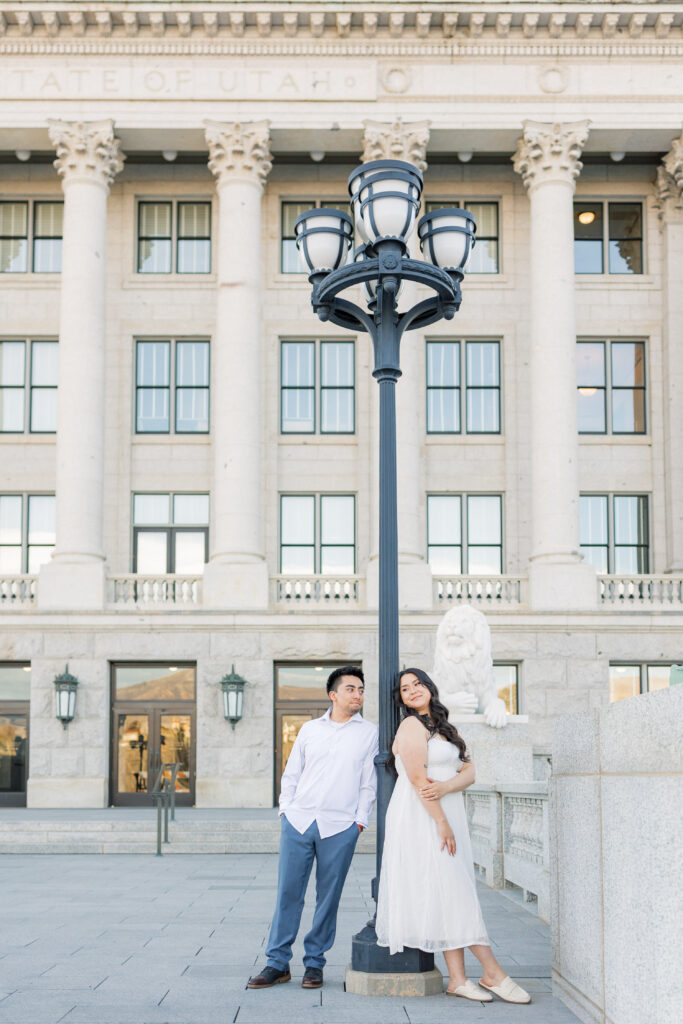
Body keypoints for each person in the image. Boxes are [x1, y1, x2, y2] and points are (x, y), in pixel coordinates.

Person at [375, 668, 531, 1005]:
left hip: (448, 812)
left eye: (418, 684)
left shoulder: (447, 729)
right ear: (400, 699)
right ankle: (492, 972)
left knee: (449, 891)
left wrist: (446, 787)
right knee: (454, 889)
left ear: (430, 688)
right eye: (405, 688)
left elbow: (470, 771)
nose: (413, 690)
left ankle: (458, 980)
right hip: (424, 817)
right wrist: (441, 822)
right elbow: (418, 780)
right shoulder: (411, 726)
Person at [248, 665, 379, 991]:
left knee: (328, 898)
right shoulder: (309, 729)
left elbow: (368, 783)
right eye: (351, 689)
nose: (358, 694)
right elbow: (292, 773)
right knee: (287, 894)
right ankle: (277, 963)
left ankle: (314, 964)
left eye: (361, 690)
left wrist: (359, 822)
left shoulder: (369, 733)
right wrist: (285, 811)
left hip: (340, 827)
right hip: (299, 822)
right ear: (333, 694)